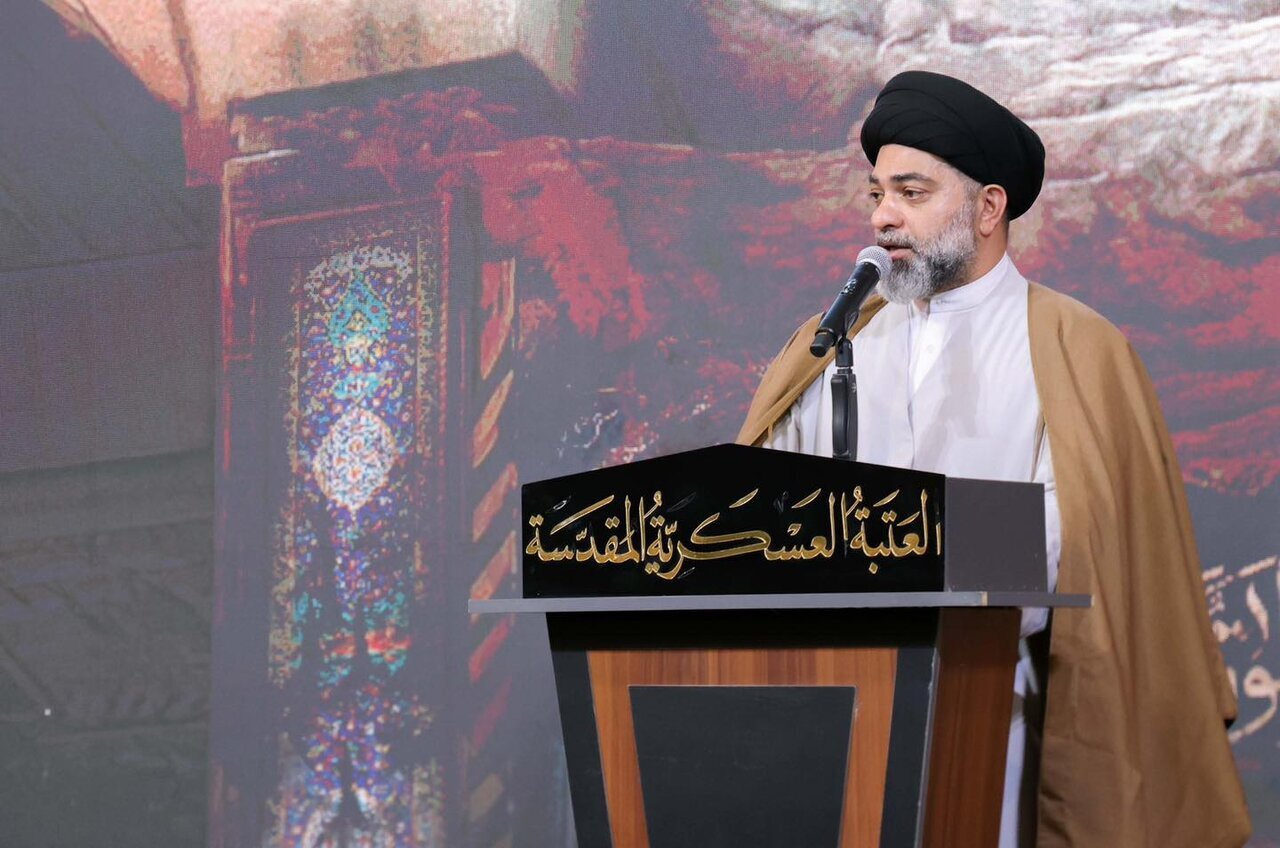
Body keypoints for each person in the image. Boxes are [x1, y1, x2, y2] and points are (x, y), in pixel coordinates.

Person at [737, 70, 1249, 848]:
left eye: (911, 193)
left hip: (994, 717)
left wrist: (895, 545)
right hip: (824, 716)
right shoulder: (834, 344)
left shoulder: (1077, 349)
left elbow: (1068, 541)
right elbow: (754, 506)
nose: (882, 216)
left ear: (987, 208)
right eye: (876, 193)